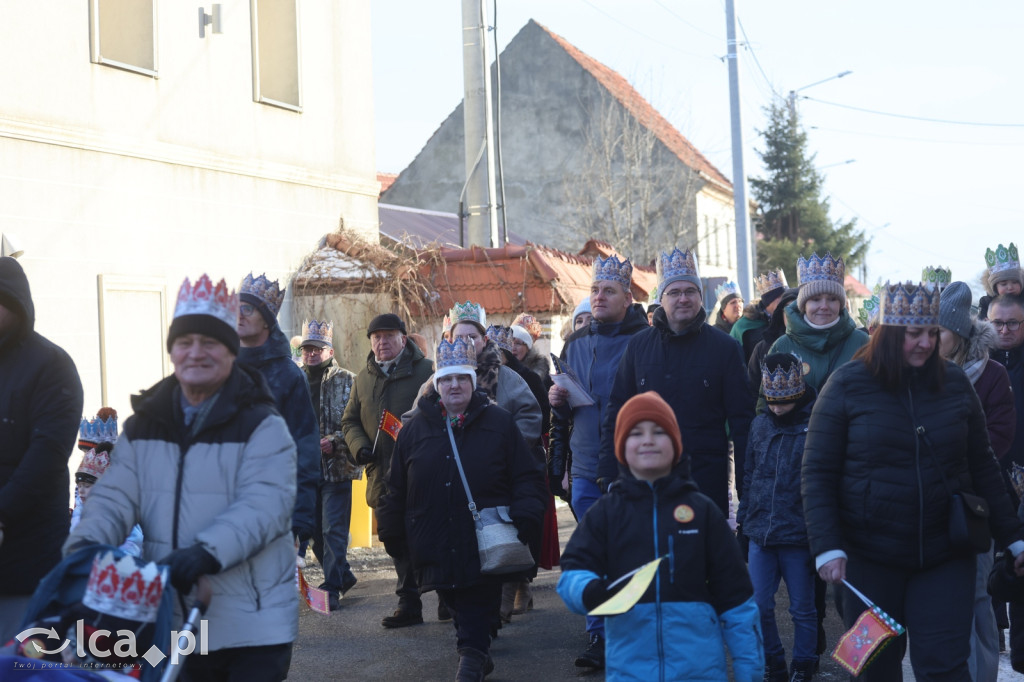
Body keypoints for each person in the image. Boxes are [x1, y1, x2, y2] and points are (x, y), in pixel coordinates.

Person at [65, 273, 298, 679]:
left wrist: (206, 552)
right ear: (172, 351)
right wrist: (82, 552)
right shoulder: (145, 425)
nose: (196, 353)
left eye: (210, 342)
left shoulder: (263, 424)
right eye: (185, 342)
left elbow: (267, 504)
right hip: (178, 617)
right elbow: (114, 499)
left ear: (230, 353)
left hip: (254, 622)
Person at [803, 280, 1024, 681]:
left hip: (944, 555)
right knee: (874, 670)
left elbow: (983, 464)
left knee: (945, 667)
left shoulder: (954, 384)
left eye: (932, 333)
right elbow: (817, 471)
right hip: (868, 561)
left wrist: (1015, 537)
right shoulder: (846, 386)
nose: (925, 343)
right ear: (887, 335)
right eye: (913, 334)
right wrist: (826, 546)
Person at [557, 391, 762, 681]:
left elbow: (738, 602)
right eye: (636, 432)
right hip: (630, 671)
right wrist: (590, 592)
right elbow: (572, 574)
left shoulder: (702, 512)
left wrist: (749, 671)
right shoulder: (606, 514)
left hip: (698, 671)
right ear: (621, 446)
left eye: (659, 431)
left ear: (676, 444)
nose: (648, 440)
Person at [377, 337, 547, 682]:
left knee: (476, 596)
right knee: (452, 595)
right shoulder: (414, 430)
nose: (455, 385)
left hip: (484, 535)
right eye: (447, 379)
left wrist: (527, 514)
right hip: (432, 535)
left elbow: (526, 476)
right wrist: (390, 529)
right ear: (437, 385)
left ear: (472, 382)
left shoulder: (498, 423)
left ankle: (471, 658)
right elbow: (396, 485)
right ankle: (475, 649)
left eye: (462, 379)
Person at [547, 255, 648, 669]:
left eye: (608, 291)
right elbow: (565, 411)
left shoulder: (645, 341)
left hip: (631, 467)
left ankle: (634, 636)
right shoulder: (575, 343)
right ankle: (599, 637)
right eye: (594, 291)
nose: (599, 298)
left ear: (627, 297)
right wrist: (558, 401)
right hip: (586, 466)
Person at [601, 247, 753, 516]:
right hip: (646, 481)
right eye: (674, 292)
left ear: (700, 296)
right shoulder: (638, 347)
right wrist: (610, 474)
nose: (683, 299)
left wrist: (747, 488)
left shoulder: (725, 348)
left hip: (705, 482)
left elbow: (742, 422)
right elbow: (617, 411)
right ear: (662, 298)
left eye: (690, 291)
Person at [0, 257, 84, 642]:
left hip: (28, 559)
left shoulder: (51, 364)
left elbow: (47, 456)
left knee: (22, 665)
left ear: (15, 305)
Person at [938, 281, 1015, 682]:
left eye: (939, 332)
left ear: (960, 334)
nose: (930, 341)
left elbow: (998, 438)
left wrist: (954, 465)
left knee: (976, 594)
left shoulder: (991, 374)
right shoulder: (918, 373)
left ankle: (982, 673)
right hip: (928, 503)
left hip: (974, 505)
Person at [342, 313, 434, 628]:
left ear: (403, 339)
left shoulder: (426, 371)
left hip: (421, 471)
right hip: (381, 474)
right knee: (394, 538)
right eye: (376, 337)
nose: (382, 342)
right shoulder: (362, 379)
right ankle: (409, 603)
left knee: (428, 535)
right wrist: (359, 447)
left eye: (388, 336)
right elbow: (349, 420)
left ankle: (449, 597)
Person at [737, 353, 819, 681]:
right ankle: (773, 661)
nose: (776, 409)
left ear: (797, 396)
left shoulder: (813, 428)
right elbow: (749, 473)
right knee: (758, 604)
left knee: (802, 607)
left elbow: (820, 483)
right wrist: (744, 522)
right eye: (771, 402)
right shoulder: (759, 424)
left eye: (783, 403)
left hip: (798, 535)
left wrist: (820, 534)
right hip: (760, 531)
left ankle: (803, 664)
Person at [236, 272, 318, 557]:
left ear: (267, 320)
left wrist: (299, 522)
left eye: (248, 309)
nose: (239, 315)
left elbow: (304, 450)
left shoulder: (288, 376)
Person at [299, 318, 359, 610]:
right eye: (307, 348)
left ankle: (333, 586)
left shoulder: (347, 379)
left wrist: (335, 441)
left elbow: (356, 423)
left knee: (333, 529)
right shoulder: (294, 380)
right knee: (312, 533)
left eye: (317, 348)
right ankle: (343, 576)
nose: (311, 353)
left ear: (330, 350)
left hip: (336, 468)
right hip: (305, 470)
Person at [72, 410, 143, 558]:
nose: (82, 491)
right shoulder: (81, 503)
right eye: (80, 486)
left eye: (87, 486)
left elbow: (132, 544)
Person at [732, 268, 789, 362]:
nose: (786, 299)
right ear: (770, 300)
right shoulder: (744, 325)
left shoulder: (788, 318)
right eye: (781, 296)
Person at [979, 243, 1023, 320]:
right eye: (1004, 284)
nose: (1010, 287)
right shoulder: (986, 303)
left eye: (1015, 282)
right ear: (995, 287)